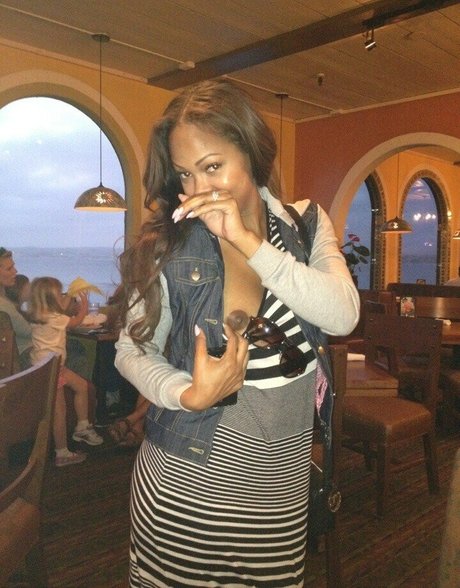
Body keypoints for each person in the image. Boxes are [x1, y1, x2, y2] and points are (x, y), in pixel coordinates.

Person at [115, 79, 360, 586]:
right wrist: (185, 392)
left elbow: (342, 316)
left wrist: (250, 243)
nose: (198, 189)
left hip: (279, 494)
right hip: (186, 490)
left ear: (250, 152)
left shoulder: (307, 225)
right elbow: (130, 349)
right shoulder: (171, 244)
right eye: (186, 173)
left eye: (212, 166)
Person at [29, 277, 103, 467]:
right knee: (59, 412)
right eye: (59, 294)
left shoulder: (39, 315)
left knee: (81, 386)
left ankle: (82, 426)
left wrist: (69, 295)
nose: (63, 296)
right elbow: (76, 321)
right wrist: (84, 303)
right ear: (51, 299)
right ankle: (62, 453)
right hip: (50, 370)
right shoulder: (56, 318)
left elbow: (61, 307)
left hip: (47, 366)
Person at [0, 248, 33, 368]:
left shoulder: (6, 300)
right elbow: (29, 332)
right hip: (25, 355)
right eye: (9, 269)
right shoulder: (4, 307)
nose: (15, 271)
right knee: (76, 350)